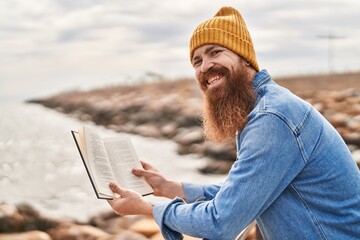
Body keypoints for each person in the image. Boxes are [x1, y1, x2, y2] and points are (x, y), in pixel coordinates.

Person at [107, 6, 360, 240]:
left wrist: (149, 208)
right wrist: (173, 188)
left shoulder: (272, 118)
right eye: (197, 61)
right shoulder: (261, 108)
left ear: (245, 57)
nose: (205, 66)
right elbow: (245, 192)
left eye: (215, 52)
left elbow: (221, 222)